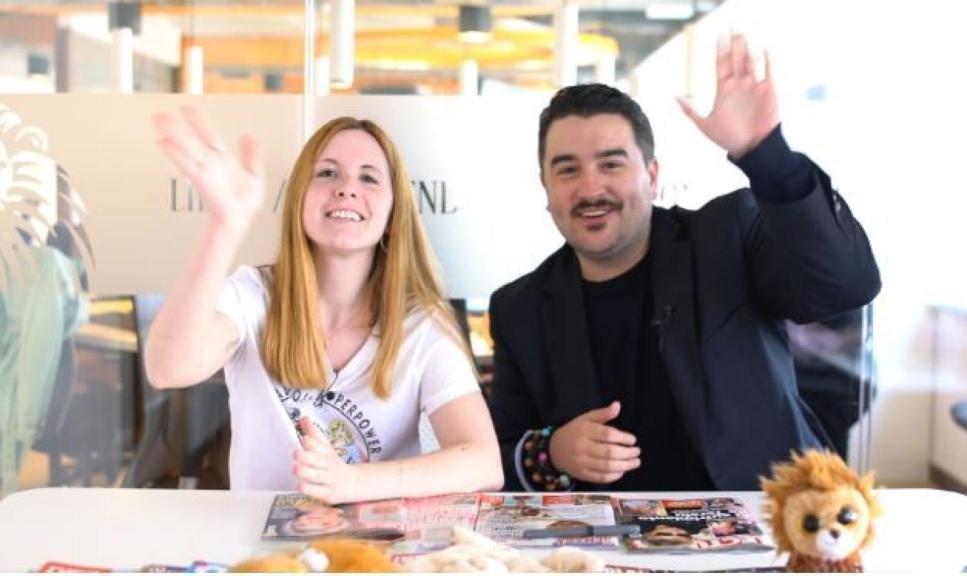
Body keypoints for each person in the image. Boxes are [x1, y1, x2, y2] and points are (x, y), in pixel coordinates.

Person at [486, 34, 881, 492]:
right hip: (603, 549)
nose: (590, 189)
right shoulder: (520, 307)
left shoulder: (726, 234)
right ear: (547, 188)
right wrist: (551, 452)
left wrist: (765, 155)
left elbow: (845, 284)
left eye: (612, 164)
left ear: (651, 177)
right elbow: (498, 454)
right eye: (568, 170)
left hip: (762, 523)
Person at [146, 108, 503, 502]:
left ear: (392, 215)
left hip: (374, 556)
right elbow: (168, 368)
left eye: (368, 178)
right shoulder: (253, 295)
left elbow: (484, 463)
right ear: (300, 198)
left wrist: (352, 482)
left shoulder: (420, 327)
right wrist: (225, 224)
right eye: (327, 173)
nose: (347, 188)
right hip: (263, 555)